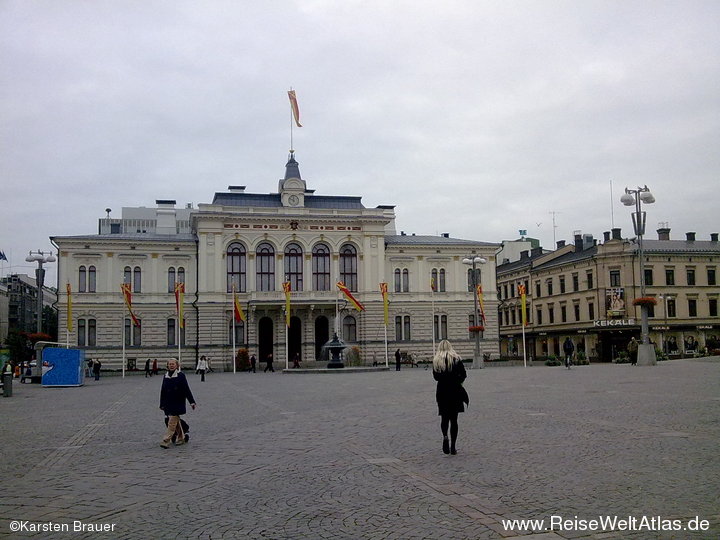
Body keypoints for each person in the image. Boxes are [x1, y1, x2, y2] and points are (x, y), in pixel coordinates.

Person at [432, 340, 468, 455]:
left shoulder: (437, 360)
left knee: (444, 418)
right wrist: (458, 382)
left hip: (442, 392)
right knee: (454, 420)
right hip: (455, 391)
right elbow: (464, 374)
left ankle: (445, 437)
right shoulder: (456, 359)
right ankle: (453, 447)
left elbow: (436, 377)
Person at [159, 358, 196, 449]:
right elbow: (163, 390)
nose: (171, 365)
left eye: (173, 364)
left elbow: (186, 389)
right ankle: (181, 437)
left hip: (178, 401)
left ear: (177, 365)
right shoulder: (165, 375)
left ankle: (166, 440)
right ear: (167, 365)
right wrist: (162, 403)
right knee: (173, 421)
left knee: (171, 422)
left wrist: (191, 402)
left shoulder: (181, 375)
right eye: (170, 364)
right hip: (168, 402)